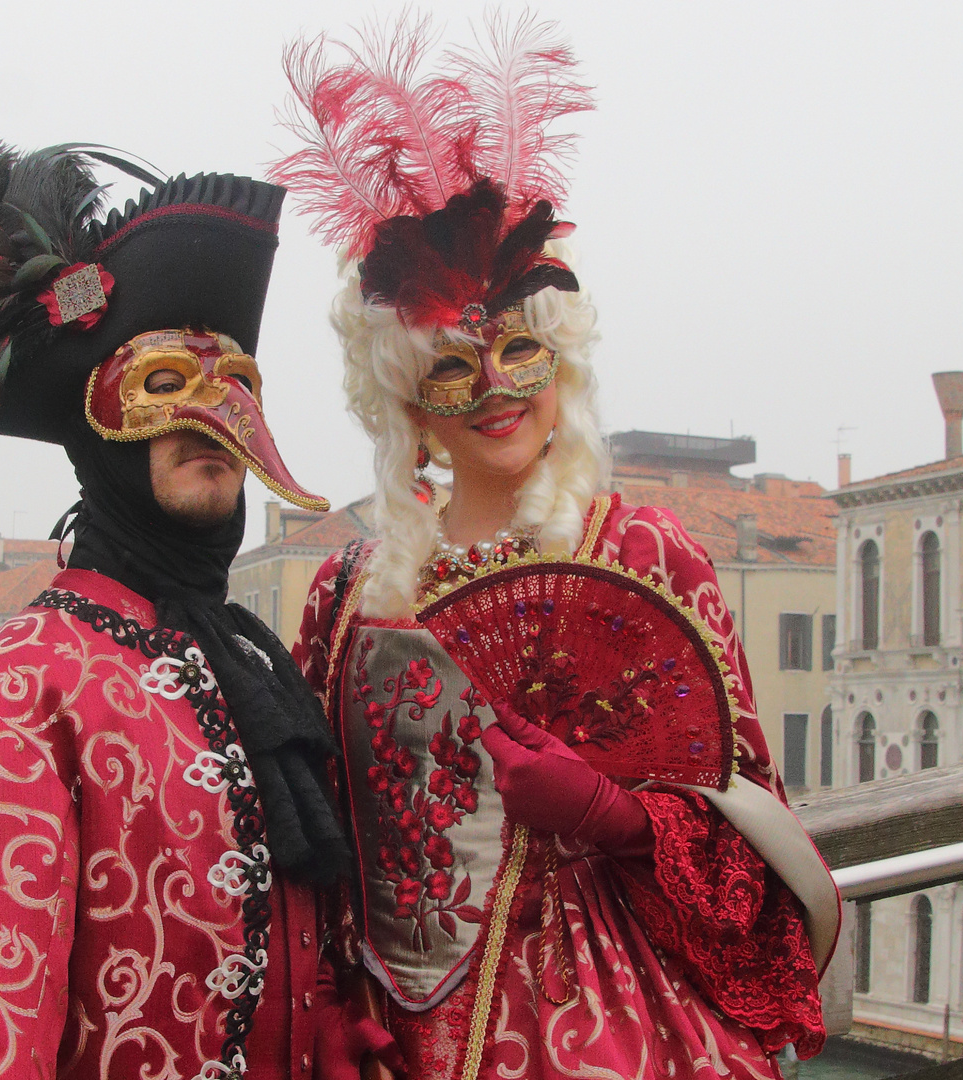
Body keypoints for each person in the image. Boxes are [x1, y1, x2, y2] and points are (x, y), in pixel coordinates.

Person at [275, 18, 842, 1080]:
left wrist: (616, 815)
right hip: (395, 1038)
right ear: (404, 399)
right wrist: (324, 1009)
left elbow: (751, 836)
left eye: (519, 350)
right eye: (451, 368)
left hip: (617, 1030)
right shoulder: (349, 594)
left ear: (561, 357)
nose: (493, 390)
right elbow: (324, 849)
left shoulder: (645, 553)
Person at [0, 142, 357, 1080]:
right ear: (95, 431)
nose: (214, 415)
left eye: (238, 384)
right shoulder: (8, 703)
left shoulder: (248, 672)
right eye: (165, 385)